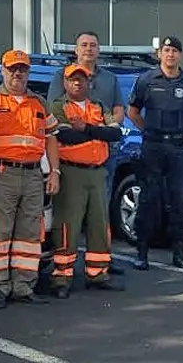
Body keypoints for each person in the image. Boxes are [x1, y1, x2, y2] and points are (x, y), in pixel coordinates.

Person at [0, 49, 61, 309]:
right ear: (3, 70)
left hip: (33, 175)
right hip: (2, 174)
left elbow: (51, 137)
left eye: (22, 69)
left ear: (28, 72)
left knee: (30, 235)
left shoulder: (39, 103)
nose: (17, 73)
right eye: (12, 69)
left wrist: (54, 171)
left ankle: (23, 286)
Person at [47, 30, 127, 276]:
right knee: (69, 219)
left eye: (93, 45)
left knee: (99, 214)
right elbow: (57, 124)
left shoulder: (110, 80)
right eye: (84, 45)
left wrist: (90, 130)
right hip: (70, 164)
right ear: (76, 49)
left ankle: (100, 266)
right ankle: (62, 273)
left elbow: (117, 118)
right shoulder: (60, 77)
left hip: (103, 158)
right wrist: (97, 131)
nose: (89, 49)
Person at [126, 36, 183, 271]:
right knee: (149, 199)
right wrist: (149, 130)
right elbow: (133, 111)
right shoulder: (146, 80)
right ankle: (142, 251)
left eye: (175, 51)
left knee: (180, 201)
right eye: (167, 50)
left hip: (180, 148)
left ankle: (179, 251)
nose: (170, 54)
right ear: (160, 53)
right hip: (154, 147)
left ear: (180, 55)